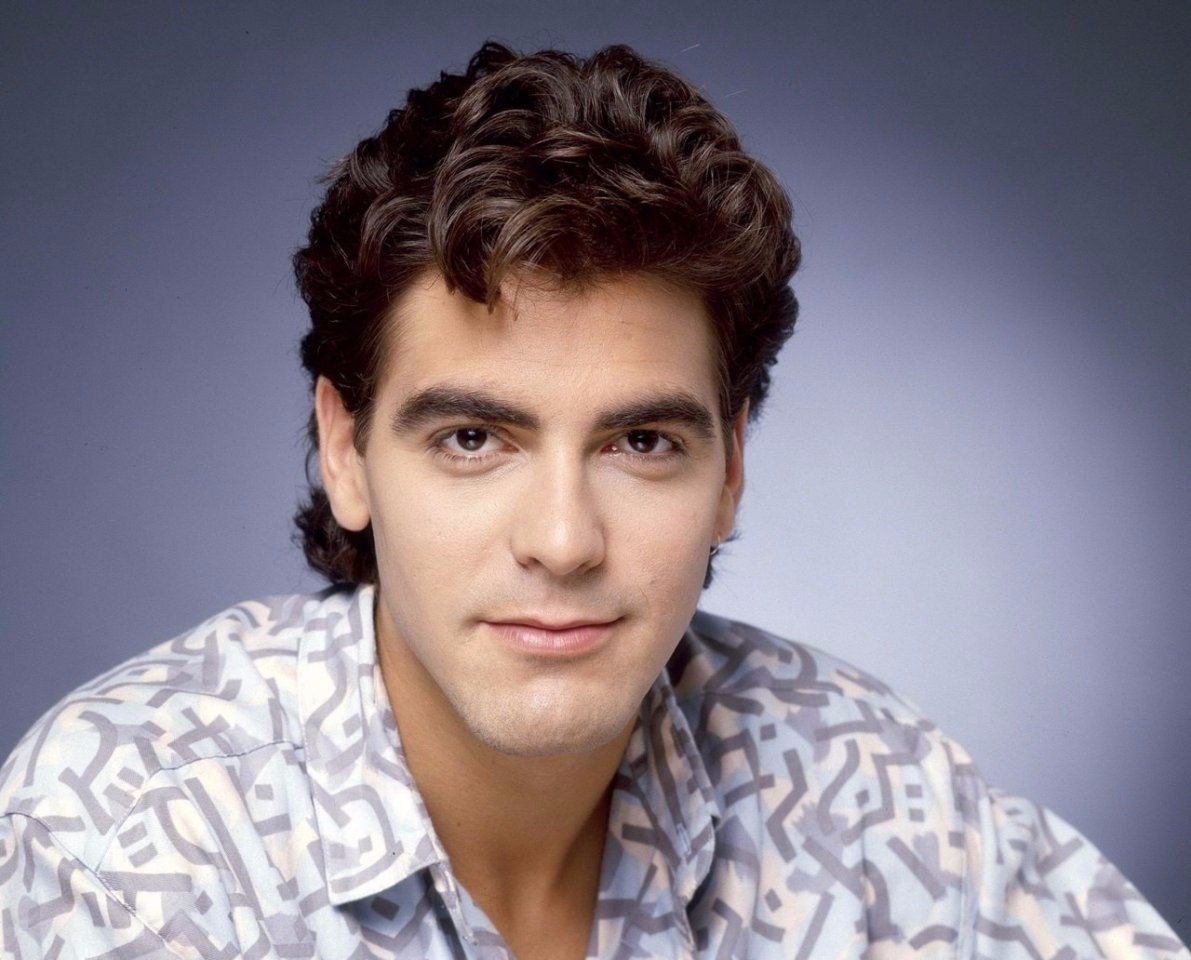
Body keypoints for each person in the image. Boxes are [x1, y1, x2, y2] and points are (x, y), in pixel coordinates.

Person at [0, 41, 1184, 960]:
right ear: (347, 452)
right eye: (474, 439)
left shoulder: (859, 785)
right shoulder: (123, 847)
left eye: (642, 442)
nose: (564, 541)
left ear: (731, 471)